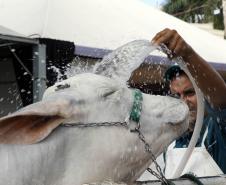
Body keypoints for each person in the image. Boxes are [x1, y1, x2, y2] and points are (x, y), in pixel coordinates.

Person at [151, 28, 226, 174]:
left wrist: (187, 54)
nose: (183, 101)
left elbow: (223, 102)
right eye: (177, 95)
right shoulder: (171, 144)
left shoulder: (218, 130)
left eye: (189, 93)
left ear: (205, 94)